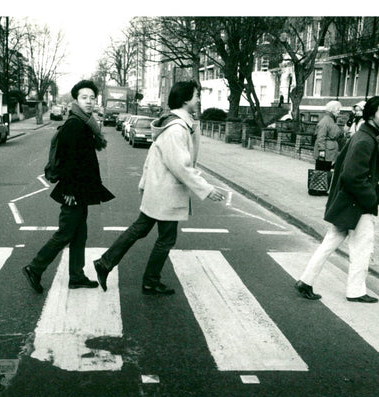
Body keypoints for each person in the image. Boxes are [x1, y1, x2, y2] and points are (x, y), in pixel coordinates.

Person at [92, 80, 226, 296]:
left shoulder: (177, 124)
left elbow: (153, 159)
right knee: (166, 238)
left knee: (141, 228)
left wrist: (144, 183)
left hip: (159, 190)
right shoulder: (175, 129)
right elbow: (180, 167)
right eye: (195, 95)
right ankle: (149, 281)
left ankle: (106, 263)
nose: (198, 99)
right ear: (185, 99)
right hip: (166, 193)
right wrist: (207, 189)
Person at [295, 96, 379, 303]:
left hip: (347, 202)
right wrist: (371, 198)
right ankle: (355, 291)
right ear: (371, 115)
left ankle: (305, 281)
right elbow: (351, 175)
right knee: (362, 250)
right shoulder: (365, 140)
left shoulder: (361, 135)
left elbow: (341, 165)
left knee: (329, 243)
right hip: (358, 205)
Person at [22, 80, 114, 293]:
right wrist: (70, 192)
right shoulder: (74, 124)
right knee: (65, 233)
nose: (89, 101)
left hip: (80, 190)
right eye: (84, 97)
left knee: (80, 234)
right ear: (76, 100)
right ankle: (35, 267)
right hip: (74, 190)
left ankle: (76, 275)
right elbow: (68, 160)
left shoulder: (84, 123)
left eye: (92, 98)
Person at [313, 100, 345, 166]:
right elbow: (321, 136)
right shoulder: (325, 121)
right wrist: (321, 150)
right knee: (322, 172)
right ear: (331, 110)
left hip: (329, 152)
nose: (339, 111)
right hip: (326, 153)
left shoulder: (331, 120)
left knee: (326, 172)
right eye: (337, 109)